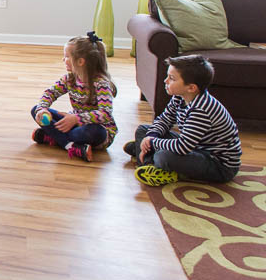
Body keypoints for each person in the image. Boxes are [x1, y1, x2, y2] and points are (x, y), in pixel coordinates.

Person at [126, 55, 241, 187]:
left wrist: (152, 142)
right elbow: (165, 119)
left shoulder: (201, 110)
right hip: (194, 146)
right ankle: (149, 163)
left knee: (164, 156)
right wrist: (152, 136)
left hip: (218, 165)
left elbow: (183, 146)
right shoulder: (180, 96)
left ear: (191, 88)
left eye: (172, 78)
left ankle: (149, 157)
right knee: (143, 130)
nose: (165, 81)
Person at [30, 32, 118, 162]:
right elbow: (50, 93)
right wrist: (42, 109)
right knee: (35, 110)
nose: (63, 59)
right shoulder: (69, 79)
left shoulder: (101, 84)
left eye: (66, 57)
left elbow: (105, 113)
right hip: (73, 123)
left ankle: (54, 137)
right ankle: (72, 146)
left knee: (95, 131)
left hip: (95, 130)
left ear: (80, 61)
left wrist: (76, 119)